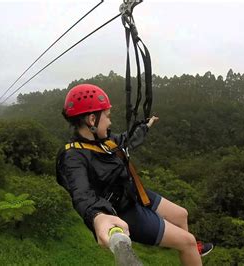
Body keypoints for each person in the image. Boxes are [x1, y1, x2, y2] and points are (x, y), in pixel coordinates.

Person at [56, 84, 213, 265]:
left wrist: (146, 125)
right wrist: (97, 216)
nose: (110, 121)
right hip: (124, 211)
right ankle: (189, 248)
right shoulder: (72, 157)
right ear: (92, 119)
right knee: (188, 242)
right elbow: (81, 194)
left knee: (182, 215)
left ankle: (192, 251)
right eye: (107, 116)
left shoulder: (104, 140)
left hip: (132, 193)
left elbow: (126, 139)